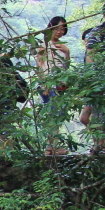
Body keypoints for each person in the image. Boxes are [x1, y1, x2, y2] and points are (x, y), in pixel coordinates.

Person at [32, 16, 71, 155]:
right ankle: (51, 147)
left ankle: (52, 146)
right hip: (48, 84)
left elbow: (65, 67)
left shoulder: (62, 45)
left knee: (57, 114)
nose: (60, 31)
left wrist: (67, 53)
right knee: (53, 113)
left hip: (60, 84)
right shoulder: (44, 44)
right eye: (57, 28)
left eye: (62, 29)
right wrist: (44, 84)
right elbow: (39, 65)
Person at [81, 5, 105, 154]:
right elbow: (90, 55)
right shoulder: (98, 32)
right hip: (98, 80)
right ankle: (100, 144)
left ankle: (102, 144)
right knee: (95, 114)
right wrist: (92, 77)